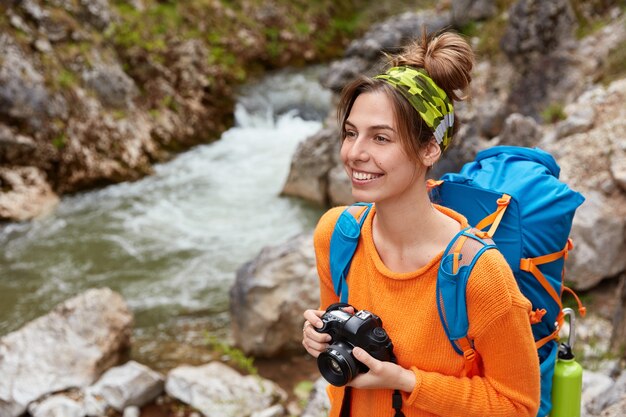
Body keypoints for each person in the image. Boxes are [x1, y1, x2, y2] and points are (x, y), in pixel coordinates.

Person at [301, 30, 540, 417]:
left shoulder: (481, 275)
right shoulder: (337, 234)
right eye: (350, 133)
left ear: (430, 148)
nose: (355, 153)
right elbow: (339, 340)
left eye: (381, 138)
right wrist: (319, 337)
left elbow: (518, 407)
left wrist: (405, 382)